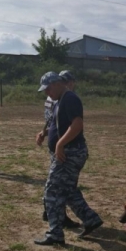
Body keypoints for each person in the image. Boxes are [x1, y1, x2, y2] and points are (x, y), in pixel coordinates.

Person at [34, 71, 103, 246]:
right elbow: (61, 126)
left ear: (58, 84)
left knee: (52, 191)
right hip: (70, 151)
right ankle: (91, 219)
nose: (46, 93)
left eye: (48, 88)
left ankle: (55, 233)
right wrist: (46, 134)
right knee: (68, 190)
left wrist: (59, 144)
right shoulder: (60, 100)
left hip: (69, 153)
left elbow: (77, 125)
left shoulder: (70, 98)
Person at [36, 70, 81, 229]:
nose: (71, 84)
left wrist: (44, 133)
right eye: (69, 81)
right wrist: (44, 133)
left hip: (59, 143)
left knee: (55, 181)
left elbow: (51, 122)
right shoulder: (57, 98)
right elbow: (51, 121)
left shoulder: (62, 97)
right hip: (61, 146)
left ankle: (51, 212)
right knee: (60, 183)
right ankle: (55, 214)